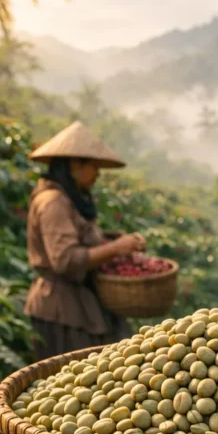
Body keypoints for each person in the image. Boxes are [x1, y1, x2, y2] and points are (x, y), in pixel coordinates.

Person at [23, 121, 146, 360]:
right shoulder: (53, 202)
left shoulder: (69, 199)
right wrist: (116, 248)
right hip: (62, 310)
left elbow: (80, 238)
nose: (98, 174)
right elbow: (65, 260)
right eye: (94, 166)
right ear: (74, 165)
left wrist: (114, 241)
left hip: (79, 305)